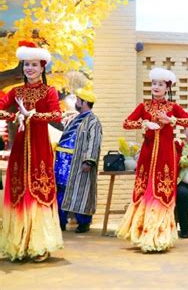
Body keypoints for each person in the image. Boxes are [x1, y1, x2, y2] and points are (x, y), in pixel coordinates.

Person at [116, 67, 188, 252]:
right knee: (145, 191)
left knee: (161, 191)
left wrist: (171, 121)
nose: (156, 87)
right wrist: (143, 123)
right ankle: (141, 234)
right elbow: (126, 123)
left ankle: (159, 236)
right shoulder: (144, 107)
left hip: (166, 156)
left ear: (167, 87)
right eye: (153, 83)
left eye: (160, 84)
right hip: (147, 154)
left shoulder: (172, 107)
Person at [0, 41, 63, 262]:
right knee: (19, 192)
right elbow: (1, 109)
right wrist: (15, 115)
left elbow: (56, 115)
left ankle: (40, 244)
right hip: (19, 148)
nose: (29, 68)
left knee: (39, 191)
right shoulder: (15, 92)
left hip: (39, 148)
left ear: (42, 67)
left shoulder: (49, 91)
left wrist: (32, 115)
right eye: (26, 64)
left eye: (34, 64)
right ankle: (19, 243)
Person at [55, 81, 103, 233]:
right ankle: (60, 221)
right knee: (61, 190)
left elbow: (94, 141)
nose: (76, 102)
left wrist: (89, 160)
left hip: (78, 162)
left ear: (84, 102)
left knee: (81, 191)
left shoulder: (93, 121)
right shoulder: (74, 118)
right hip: (62, 162)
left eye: (78, 100)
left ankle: (83, 222)